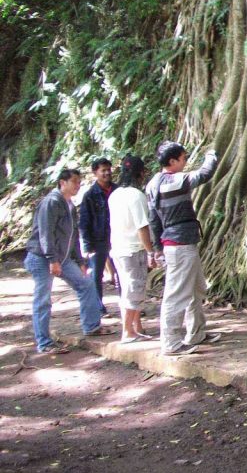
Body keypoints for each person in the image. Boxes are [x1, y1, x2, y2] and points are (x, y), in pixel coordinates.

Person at [24, 169, 113, 354]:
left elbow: (72, 235)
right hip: (42, 258)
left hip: (62, 258)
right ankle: (44, 343)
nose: (77, 186)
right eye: (74, 182)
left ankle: (92, 326)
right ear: (62, 182)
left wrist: (79, 260)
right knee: (43, 299)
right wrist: (52, 259)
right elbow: (45, 233)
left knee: (86, 284)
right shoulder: (51, 202)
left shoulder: (69, 204)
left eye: (79, 182)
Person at [147, 142, 220, 356]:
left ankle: (196, 332)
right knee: (176, 295)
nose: (185, 161)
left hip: (178, 243)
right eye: (182, 158)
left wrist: (157, 247)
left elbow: (153, 218)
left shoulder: (152, 183)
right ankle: (171, 343)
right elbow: (204, 174)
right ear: (172, 162)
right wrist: (212, 153)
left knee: (197, 288)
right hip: (180, 245)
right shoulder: (175, 181)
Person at [108, 155, 158, 343]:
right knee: (134, 290)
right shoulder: (137, 196)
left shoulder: (115, 195)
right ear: (141, 173)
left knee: (128, 289)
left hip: (118, 249)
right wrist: (150, 251)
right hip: (133, 249)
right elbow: (142, 226)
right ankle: (127, 331)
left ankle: (136, 328)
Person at [79, 157, 117, 314]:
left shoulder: (117, 190)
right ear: (95, 173)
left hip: (116, 237)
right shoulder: (90, 195)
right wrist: (87, 246)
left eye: (108, 169)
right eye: (103, 170)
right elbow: (84, 221)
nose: (107, 173)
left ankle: (127, 305)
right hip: (98, 240)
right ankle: (98, 306)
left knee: (121, 272)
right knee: (96, 274)